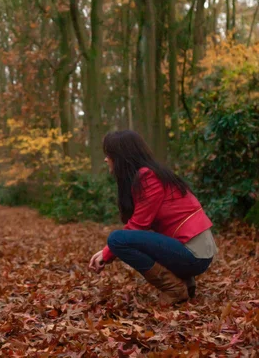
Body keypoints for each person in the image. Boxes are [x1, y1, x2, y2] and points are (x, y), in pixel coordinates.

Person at [89, 130, 217, 305]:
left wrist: (107, 252)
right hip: (192, 249)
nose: (106, 159)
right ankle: (186, 282)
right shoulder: (150, 174)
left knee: (117, 239)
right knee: (122, 240)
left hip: (194, 253)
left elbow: (139, 225)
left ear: (121, 157)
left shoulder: (148, 177)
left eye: (109, 154)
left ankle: (174, 288)